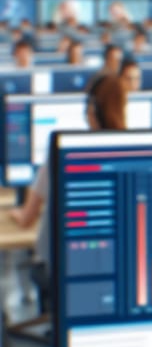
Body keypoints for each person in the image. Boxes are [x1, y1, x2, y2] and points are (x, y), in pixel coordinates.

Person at [10, 75, 127, 289]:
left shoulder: (64, 153)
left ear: (91, 110)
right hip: (114, 276)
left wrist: (16, 213)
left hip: (59, 273)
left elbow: (27, 219)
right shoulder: (133, 155)